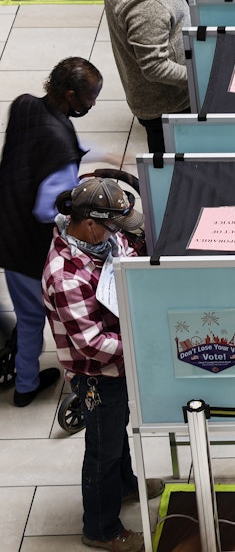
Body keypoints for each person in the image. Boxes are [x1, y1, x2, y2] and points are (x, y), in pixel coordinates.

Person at [42, 178, 163, 552]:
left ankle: (126, 485)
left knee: (115, 429)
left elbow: (124, 252)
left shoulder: (102, 241)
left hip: (119, 365)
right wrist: (143, 345)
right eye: (113, 226)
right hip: (96, 375)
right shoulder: (64, 276)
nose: (119, 235)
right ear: (90, 222)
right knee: (102, 450)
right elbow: (91, 344)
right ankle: (101, 528)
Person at [0, 57, 103, 407]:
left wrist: (90, 155)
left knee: (26, 314)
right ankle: (28, 386)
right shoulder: (60, 145)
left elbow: (43, 145)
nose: (93, 104)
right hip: (30, 250)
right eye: (90, 97)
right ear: (71, 94)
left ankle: (24, 376)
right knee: (42, 318)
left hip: (6, 227)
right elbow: (46, 210)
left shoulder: (25, 105)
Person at [103, 0, 199, 153]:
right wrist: (201, 74)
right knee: (178, 170)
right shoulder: (145, 1)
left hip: (153, 97)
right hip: (169, 104)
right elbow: (155, 67)